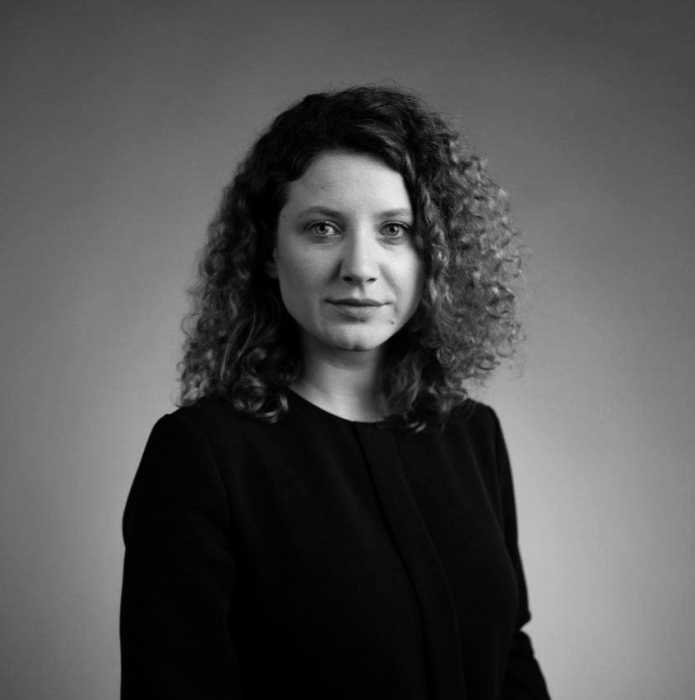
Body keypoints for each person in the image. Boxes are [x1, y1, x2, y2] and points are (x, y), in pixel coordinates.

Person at [120, 85, 551, 699]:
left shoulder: (472, 433)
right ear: (269, 251)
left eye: (395, 229)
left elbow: (508, 651)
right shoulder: (202, 455)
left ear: (436, 254)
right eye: (322, 228)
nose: (360, 267)